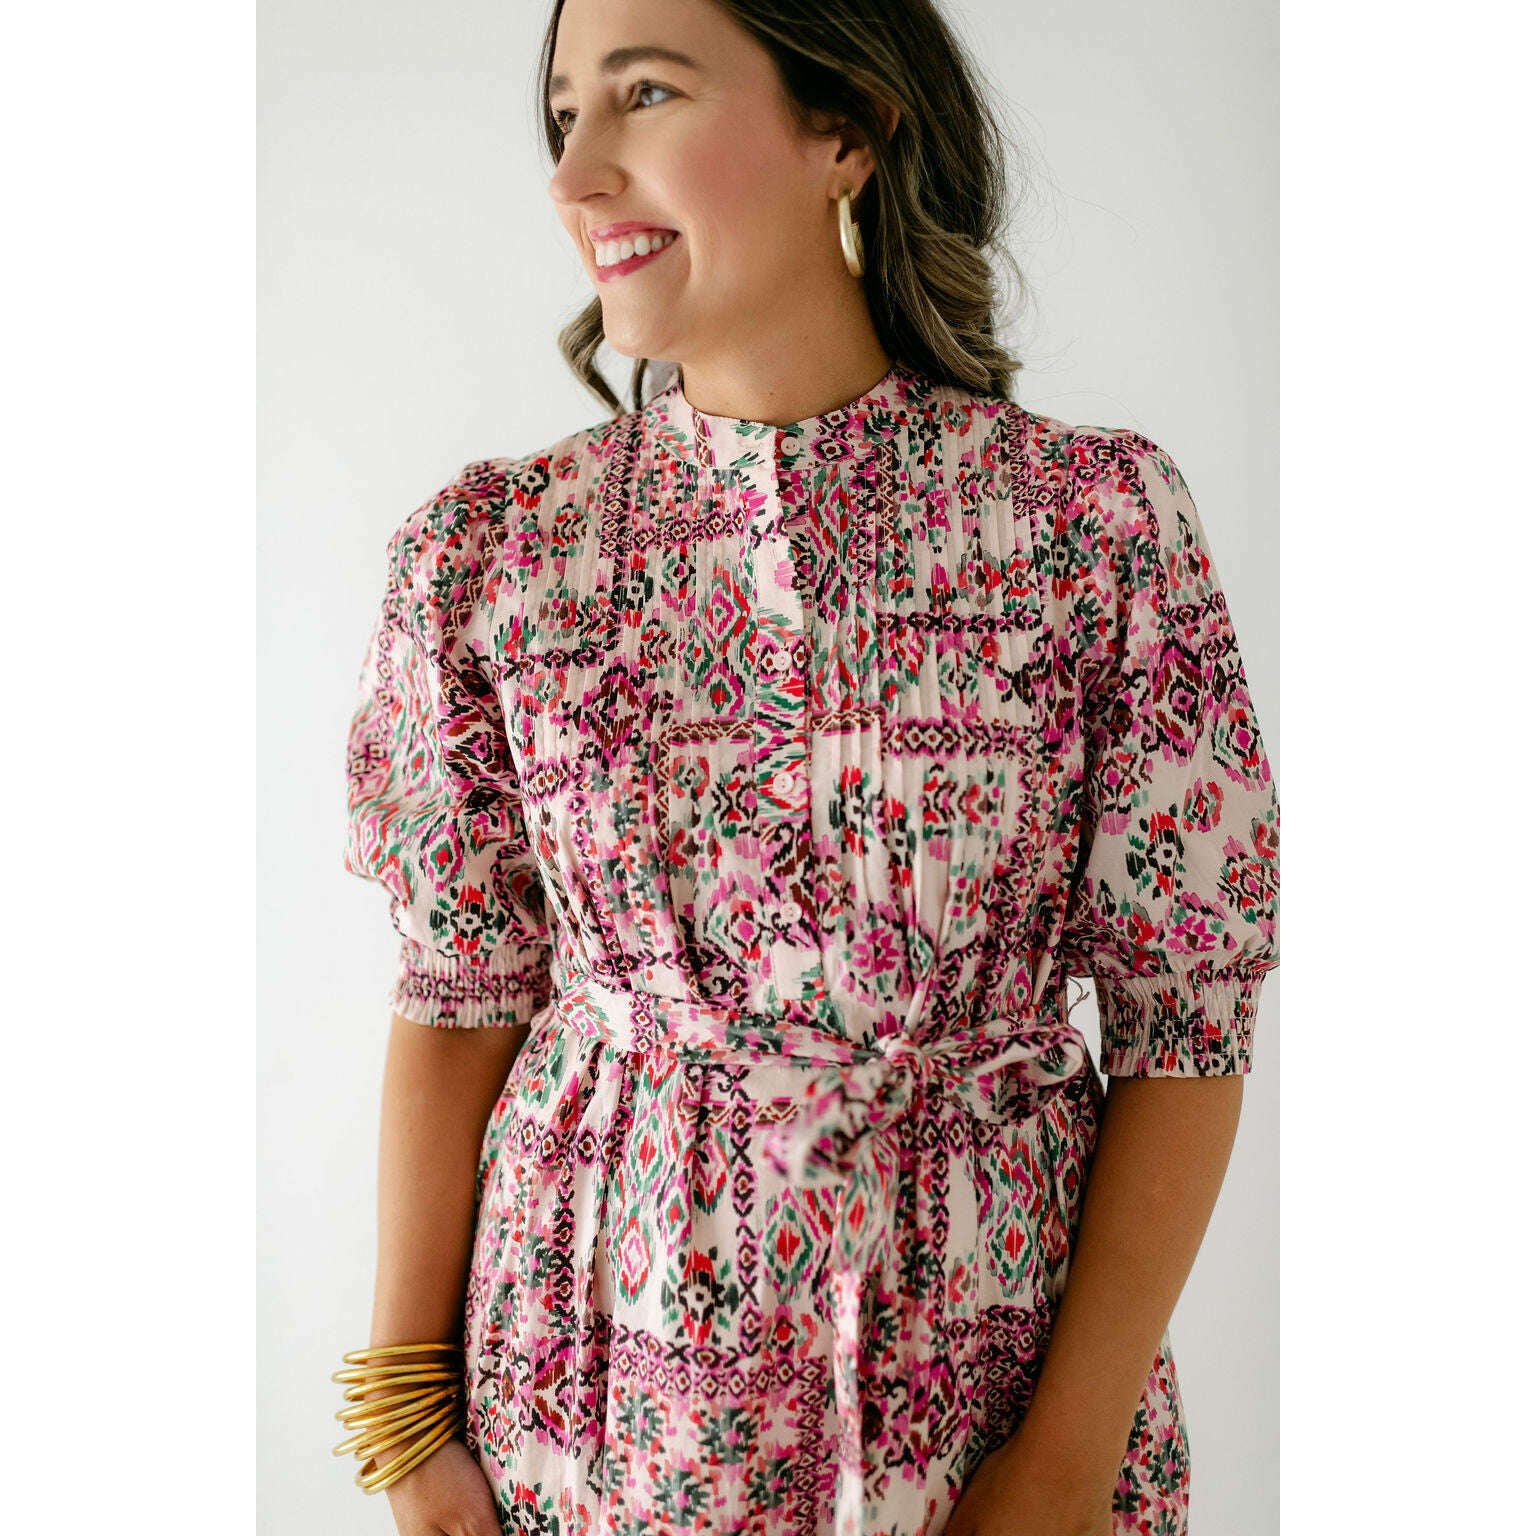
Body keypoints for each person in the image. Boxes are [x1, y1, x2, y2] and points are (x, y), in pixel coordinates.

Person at [334, 0, 1280, 1533]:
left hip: (989, 1418)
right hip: (587, 1423)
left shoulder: (1091, 527)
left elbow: (1188, 1018)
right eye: (565, 115)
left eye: (645, 95)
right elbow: (458, 996)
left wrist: (1060, 1468)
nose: (575, 174)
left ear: (846, 129)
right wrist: (406, 1424)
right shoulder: (493, 556)